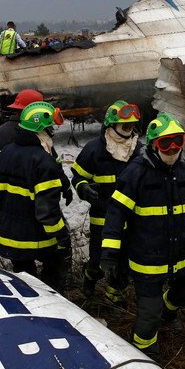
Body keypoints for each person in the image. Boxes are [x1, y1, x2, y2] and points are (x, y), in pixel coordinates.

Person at [101, 113, 185, 360]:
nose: (172, 149)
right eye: (165, 143)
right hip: (147, 259)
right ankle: (144, 352)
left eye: (177, 141)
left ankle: (168, 311)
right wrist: (109, 254)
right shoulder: (135, 175)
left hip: (181, 254)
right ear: (152, 145)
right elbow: (116, 216)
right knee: (148, 316)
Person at [0, 101, 72, 292]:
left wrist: (7, 220)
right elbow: (47, 212)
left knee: (25, 286)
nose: (53, 131)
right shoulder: (44, 161)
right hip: (38, 239)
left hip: (10, 238)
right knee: (51, 282)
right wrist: (62, 236)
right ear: (40, 129)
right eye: (50, 127)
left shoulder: (6, 152)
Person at [71, 100, 143, 305]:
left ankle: (114, 297)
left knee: (122, 262)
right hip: (102, 218)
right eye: (124, 126)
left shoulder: (139, 151)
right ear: (111, 125)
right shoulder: (94, 149)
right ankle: (90, 275)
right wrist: (83, 188)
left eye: (131, 126)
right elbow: (77, 177)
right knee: (99, 260)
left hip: (130, 220)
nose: (129, 131)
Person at [0, 90, 72, 216]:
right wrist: (64, 185)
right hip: (36, 195)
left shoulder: (0, 132)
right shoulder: (34, 131)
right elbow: (51, 163)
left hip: (6, 197)